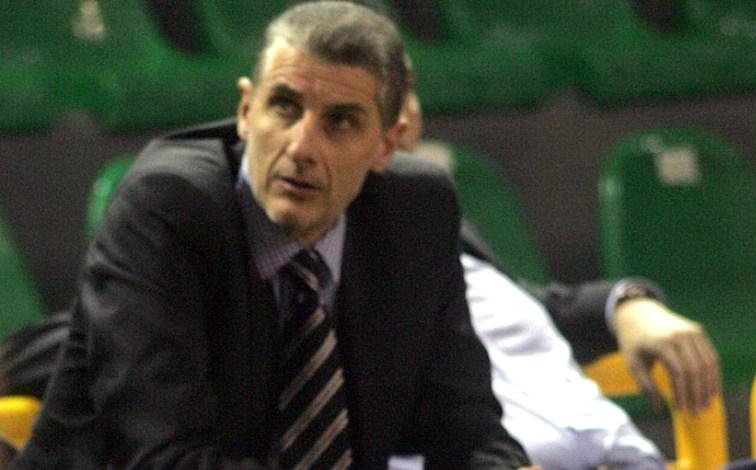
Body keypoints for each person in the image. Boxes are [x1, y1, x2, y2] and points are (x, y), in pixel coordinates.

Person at [10, 2, 533, 468]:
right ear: (245, 110)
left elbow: (466, 428)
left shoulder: (414, 211)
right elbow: (165, 458)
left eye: (340, 122)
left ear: (387, 144)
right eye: (284, 106)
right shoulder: (167, 209)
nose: (301, 147)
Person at [387, 60, 721, 469]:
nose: (403, 117)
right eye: (381, 98)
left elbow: (534, 312)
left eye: (406, 92)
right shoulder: (337, 278)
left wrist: (627, 305)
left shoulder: (442, 226)